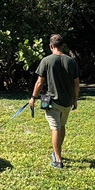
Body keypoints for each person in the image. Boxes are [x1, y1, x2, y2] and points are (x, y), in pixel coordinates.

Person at [28, 33, 80, 169]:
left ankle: (57, 159)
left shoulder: (46, 61)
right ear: (62, 46)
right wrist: (75, 100)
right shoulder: (71, 61)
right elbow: (76, 84)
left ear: (51, 46)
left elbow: (39, 82)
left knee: (55, 128)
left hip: (52, 102)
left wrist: (33, 97)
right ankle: (58, 152)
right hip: (67, 102)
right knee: (61, 126)